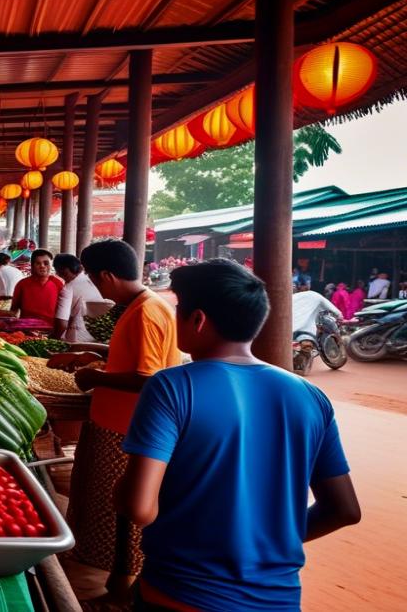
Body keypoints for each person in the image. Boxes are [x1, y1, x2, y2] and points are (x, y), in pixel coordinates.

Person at [116, 259, 360, 610]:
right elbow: (345, 510)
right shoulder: (309, 397)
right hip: (279, 600)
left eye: (179, 309)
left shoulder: (172, 387)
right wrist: (268, 546)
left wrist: (119, 488)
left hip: (181, 595)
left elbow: (139, 508)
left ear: (197, 320)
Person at [55, 238, 180, 602]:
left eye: (94, 278)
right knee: (113, 509)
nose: (94, 285)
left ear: (107, 275)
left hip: (128, 429)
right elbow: (133, 358)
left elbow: (149, 377)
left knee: (121, 512)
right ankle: (117, 582)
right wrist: (87, 354)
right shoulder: (143, 306)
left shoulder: (146, 311)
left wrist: (95, 377)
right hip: (118, 424)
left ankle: (122, 585)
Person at [52, 253, 104, 343]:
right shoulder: (94, 281)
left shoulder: (68, 288)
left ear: (62, 271)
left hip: (79, 340)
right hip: (101, 337)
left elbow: (62, 323)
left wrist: (52, 341)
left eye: (59, 272)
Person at [10, 249, 65, 323]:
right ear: (32, 265)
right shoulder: (22, 284)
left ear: (51, 265)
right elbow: (14, 310)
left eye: (46, 263)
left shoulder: (58, 283)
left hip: (51, 330)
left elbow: (63, 311)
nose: (42, 266)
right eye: (38, 263)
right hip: (26, 329)